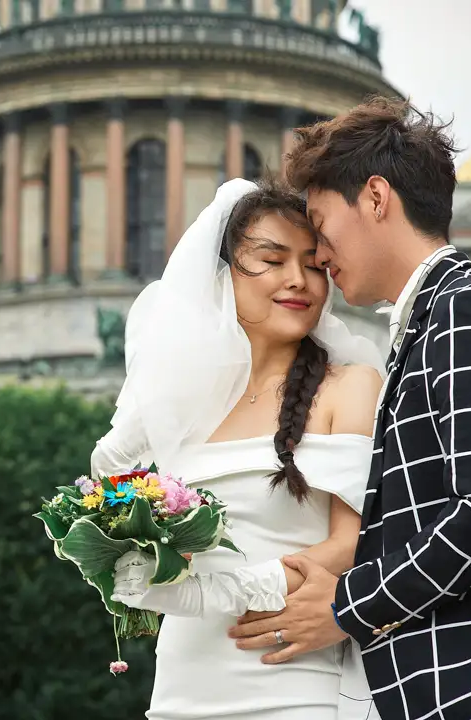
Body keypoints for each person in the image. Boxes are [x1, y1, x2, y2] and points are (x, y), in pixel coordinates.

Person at [229, 97, 471, 720]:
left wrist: (345, 607)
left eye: (323, 223)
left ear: (376, 198)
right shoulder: (428, 327)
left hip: (467, 694)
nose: (320, 254)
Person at [90, 178, 387, 720]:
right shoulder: (187, 401)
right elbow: (117, 499)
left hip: (292, 681)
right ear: (223, 277)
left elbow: (356, 544)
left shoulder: (352, 386)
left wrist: (219, 592)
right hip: (182, 685)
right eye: (272, 260)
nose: (298, 280)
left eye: (314, 263)